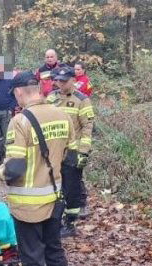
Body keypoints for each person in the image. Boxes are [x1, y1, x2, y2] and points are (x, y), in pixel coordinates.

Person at [0, 71, 76, 266]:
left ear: (19, 92)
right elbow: (70, 157)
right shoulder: (62, 115)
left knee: (32, 257)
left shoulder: (20, 122)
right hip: (54, 197)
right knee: (54, 250)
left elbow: (15, 168)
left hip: (28, 205)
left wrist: (1, 171)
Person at [47, 65, 95, 237]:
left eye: (64, 81)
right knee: (53, 187)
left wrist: (83, 152)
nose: (60, 84)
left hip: (72, 153)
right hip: (53, 151)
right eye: (58, 81)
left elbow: (87, 127)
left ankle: (70, 222)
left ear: (73, 80)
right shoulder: (51, 98)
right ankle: (55, 220)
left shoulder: (82, 100)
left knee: (71, 189)